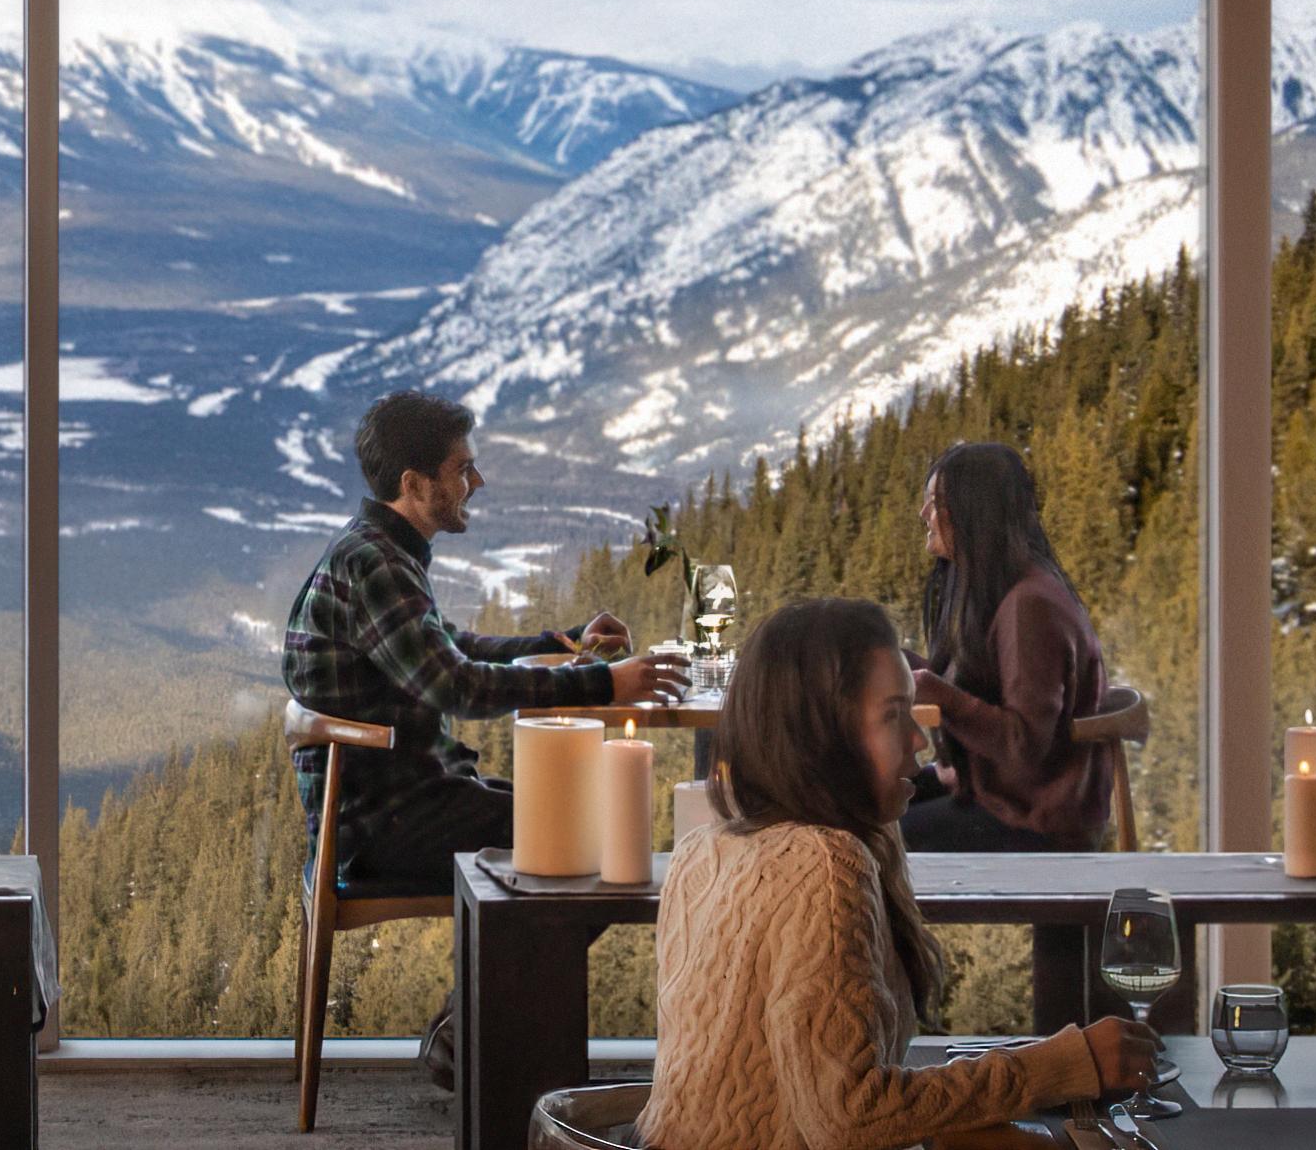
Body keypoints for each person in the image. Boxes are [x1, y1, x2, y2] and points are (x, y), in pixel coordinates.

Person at [648, 598, 1153, 1150]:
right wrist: (1064, 1065)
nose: (920, 740)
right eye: (893, 715)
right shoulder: (823, 863)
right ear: (822, 733)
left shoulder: (701, 853)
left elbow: (797, 1102)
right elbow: (851, 1118)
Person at [283, 392, 668, 1094]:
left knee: (586, 839)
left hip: (401, 804)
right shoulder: (376, 564)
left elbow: (451, 647)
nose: (476, 482)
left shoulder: (378, 554)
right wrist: (602, 685)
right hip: (384, 823)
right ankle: (479, 1045)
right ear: (414, 483)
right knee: (600, 847)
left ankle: (471, 1038)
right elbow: (456, 686)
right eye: (463, 468)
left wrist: (563, 646)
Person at [900, 443, 1112, 854]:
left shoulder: (1029, 605)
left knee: (873, 837)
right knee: (867, 803)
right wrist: (915, 670)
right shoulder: (1019, 589)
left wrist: (939, 692)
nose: (924, 515)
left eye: (935, 504)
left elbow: (1025, 746)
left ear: (973, 512)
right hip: (1013, 795)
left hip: (1038, 816)